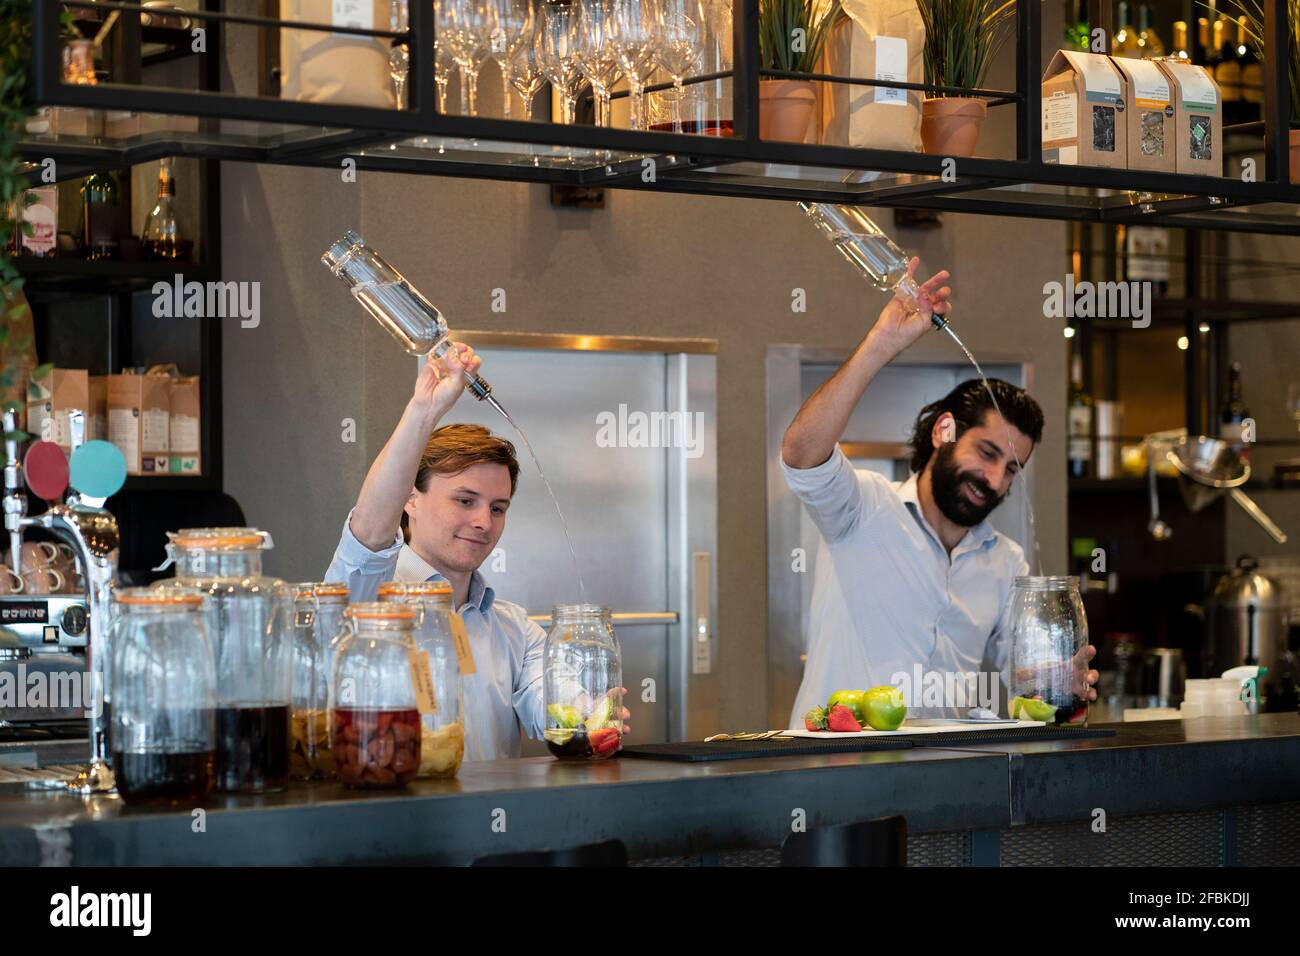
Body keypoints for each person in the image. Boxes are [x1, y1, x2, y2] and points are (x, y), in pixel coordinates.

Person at [780, 259, 1098, 723]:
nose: (994, 480)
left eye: (1011, 469)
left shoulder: (1005, 561)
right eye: (986, 453)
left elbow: (1027, 678)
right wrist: (881, 343)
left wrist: (1059, 679)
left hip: (942, 777)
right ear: (943, 431)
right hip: (837, 772)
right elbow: (800, 453)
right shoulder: (863, 508)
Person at [325, 344, 631, 760]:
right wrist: (423, 410)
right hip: (393, 820)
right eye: (465, 501)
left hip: (491, 821)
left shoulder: (514, 629)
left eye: (497, 508)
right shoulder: (367, 603)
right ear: (409, 499)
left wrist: (587, 716)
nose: (484, 522)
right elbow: (369, 535)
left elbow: (555, 705)